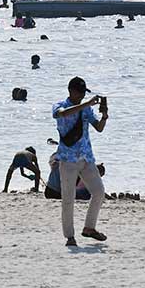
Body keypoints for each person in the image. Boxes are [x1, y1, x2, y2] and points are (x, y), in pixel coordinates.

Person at [53, 77, 108, 246]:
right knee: (68, 198)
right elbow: (61, 114)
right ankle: (70, 236)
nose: (83, 96)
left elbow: (98, 128)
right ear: (71, 91)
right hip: (68, 158)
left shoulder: (86, 110)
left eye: (84, 93)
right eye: (80, 93)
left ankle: (89, 228)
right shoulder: (60, 105)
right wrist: (86, 105)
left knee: (99, 192)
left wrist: (104, 114)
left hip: (86, 157)